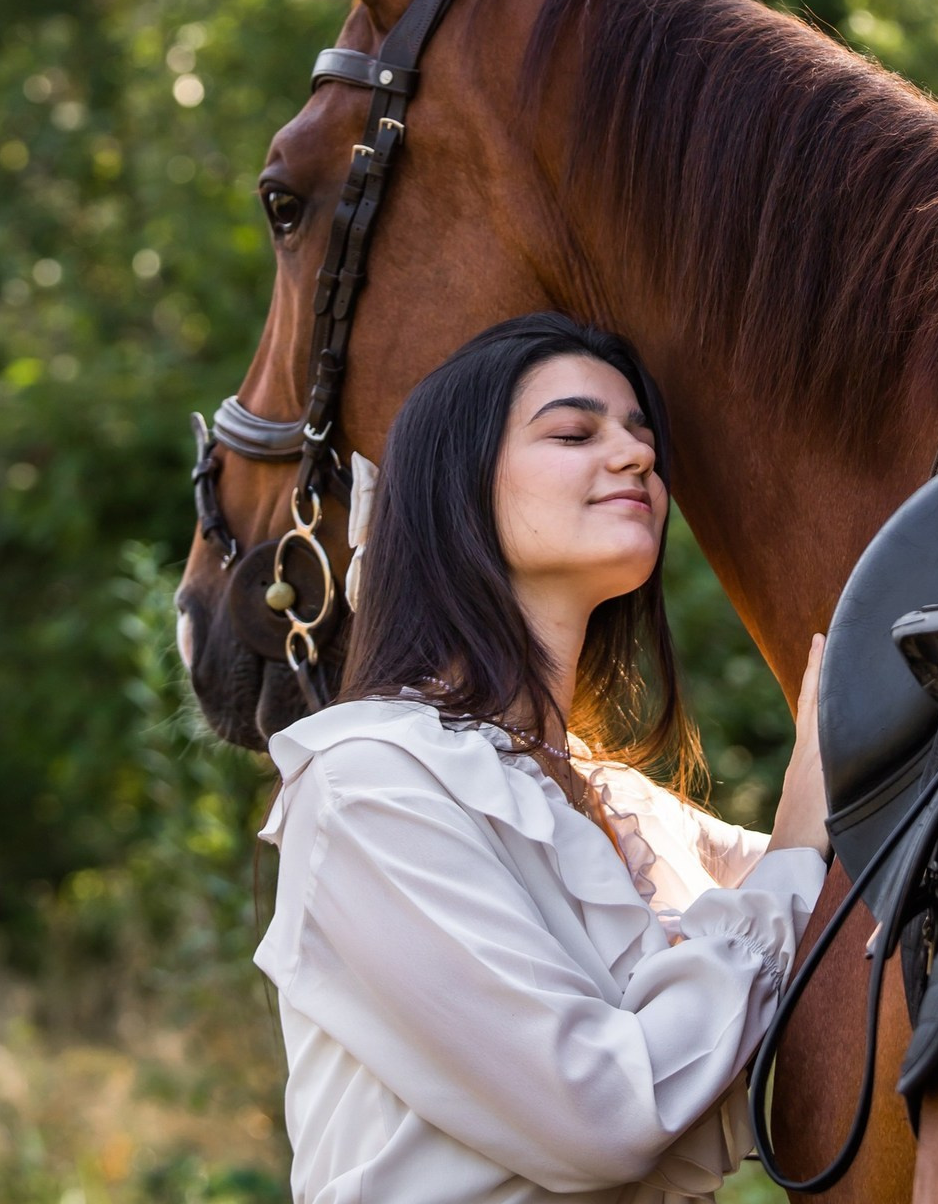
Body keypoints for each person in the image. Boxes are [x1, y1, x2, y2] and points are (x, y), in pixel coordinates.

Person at [254, 312, 832, 1203]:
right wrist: (796, 837)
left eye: (641, 437)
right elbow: (599, 1112)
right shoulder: (368, 783)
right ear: (457, 488)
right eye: (574, 433)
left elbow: (838, 913)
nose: (637, 456)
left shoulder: (620, 809)